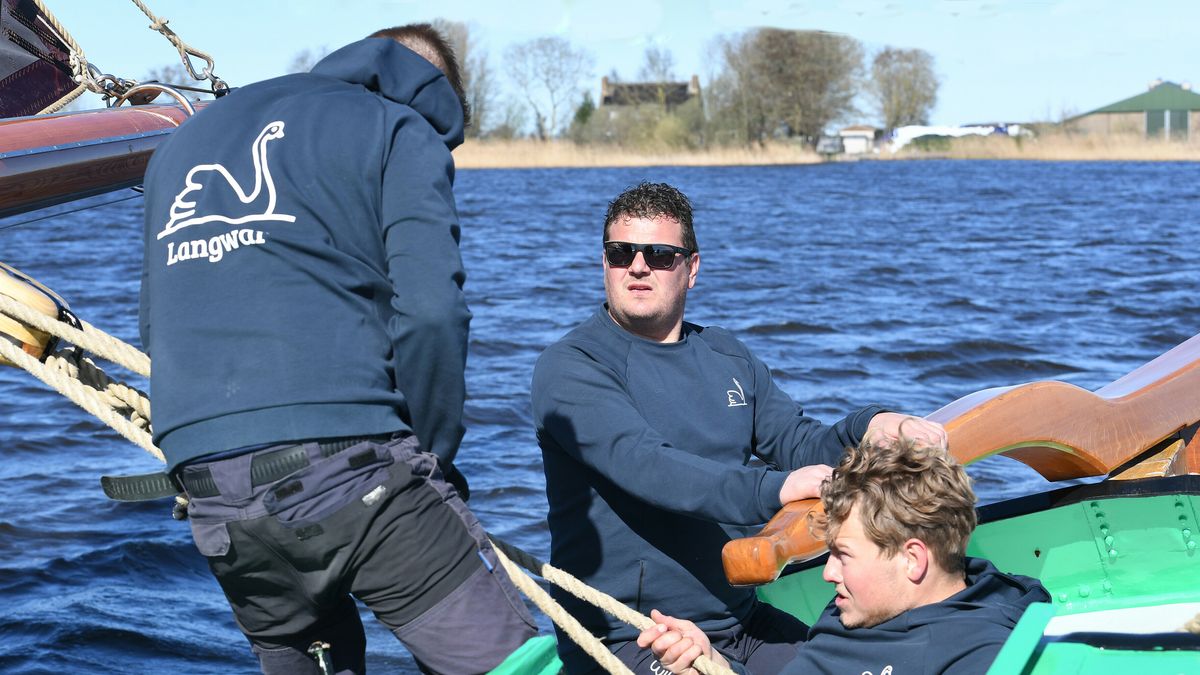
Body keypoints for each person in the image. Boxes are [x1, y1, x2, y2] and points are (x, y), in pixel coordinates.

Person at [139, 24, 537, 674]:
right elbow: (432, 316)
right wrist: (433, 461)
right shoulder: (398, 125)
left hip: (214, 497)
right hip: (356, 474)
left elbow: (155, 328)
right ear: (434, 93)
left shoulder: (180, 142)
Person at [530, 181, 947, 673]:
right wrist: (777, 488)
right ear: (605, 263)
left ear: (692, 269)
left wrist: (869, 426)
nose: (638, 266)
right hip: (633, 635)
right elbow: (648, 465)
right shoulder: (571, 367)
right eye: (621, 253)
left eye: (660, 255)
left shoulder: (727, 355)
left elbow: (796, 441)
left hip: (740, 620)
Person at [637, 435, 1051, 674]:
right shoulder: (850, 613)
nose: (827, 573)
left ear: (913, 559)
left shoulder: (979, 655)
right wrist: (710, 663)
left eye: (843, 555)